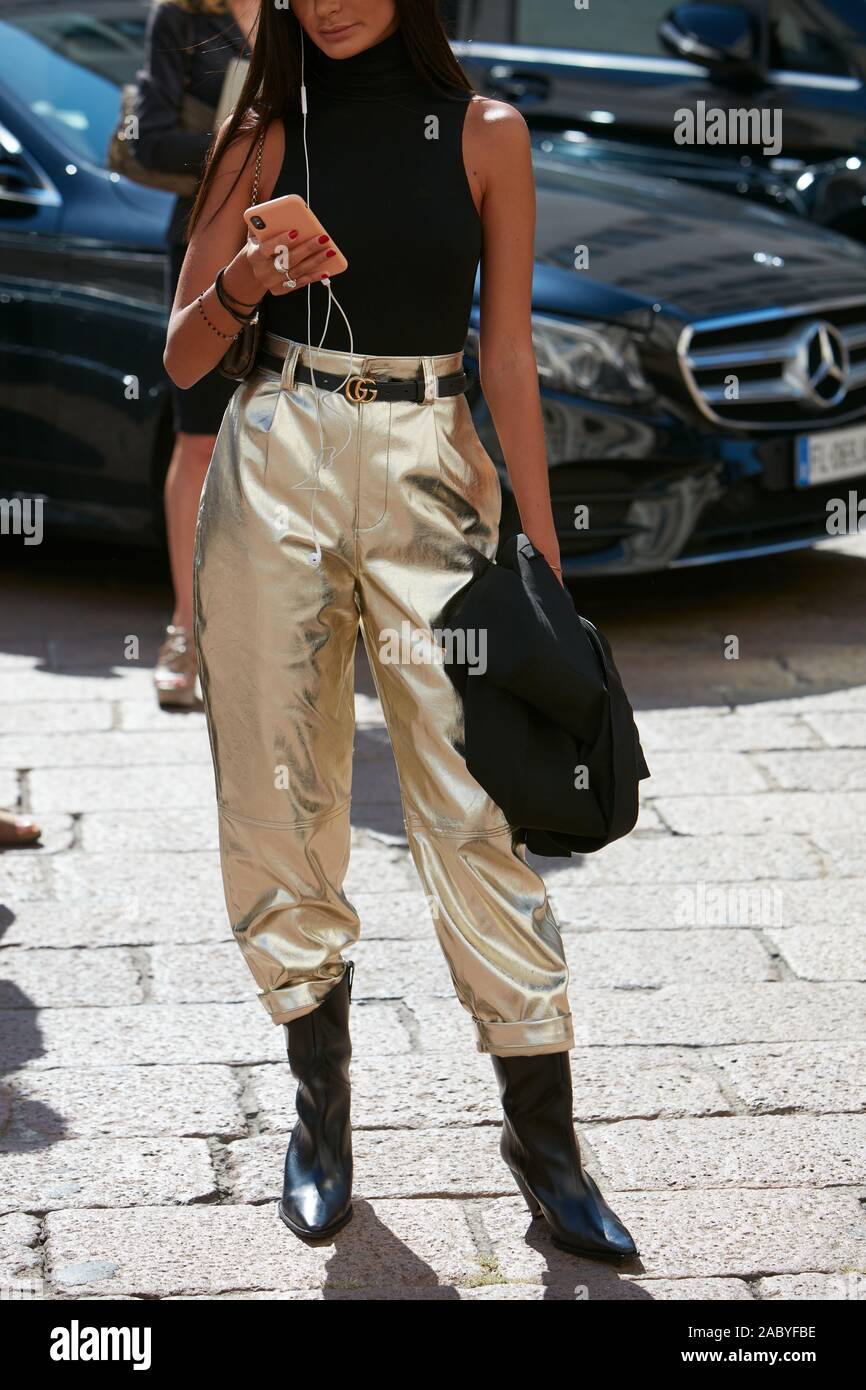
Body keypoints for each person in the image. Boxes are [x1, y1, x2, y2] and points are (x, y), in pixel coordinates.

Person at [164, 0, 637, 1263]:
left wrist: (539, 560)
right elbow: (179, 358)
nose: (331, 0)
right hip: (275, 455)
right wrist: (246, 279)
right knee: (280, 787)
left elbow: (509, 351)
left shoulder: (486, 132)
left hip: (435, 462)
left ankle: (547, 1148)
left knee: (472, 801)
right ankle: (320, 1120)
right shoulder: (260, 135)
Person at [134, 0, 257, 707]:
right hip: (207, 242)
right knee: (202, 438)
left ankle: (278, 630)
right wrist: (247, 142)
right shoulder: (180, 14)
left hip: (302, 241)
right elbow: (148, 141)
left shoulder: (312, 10)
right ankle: (186, 625)